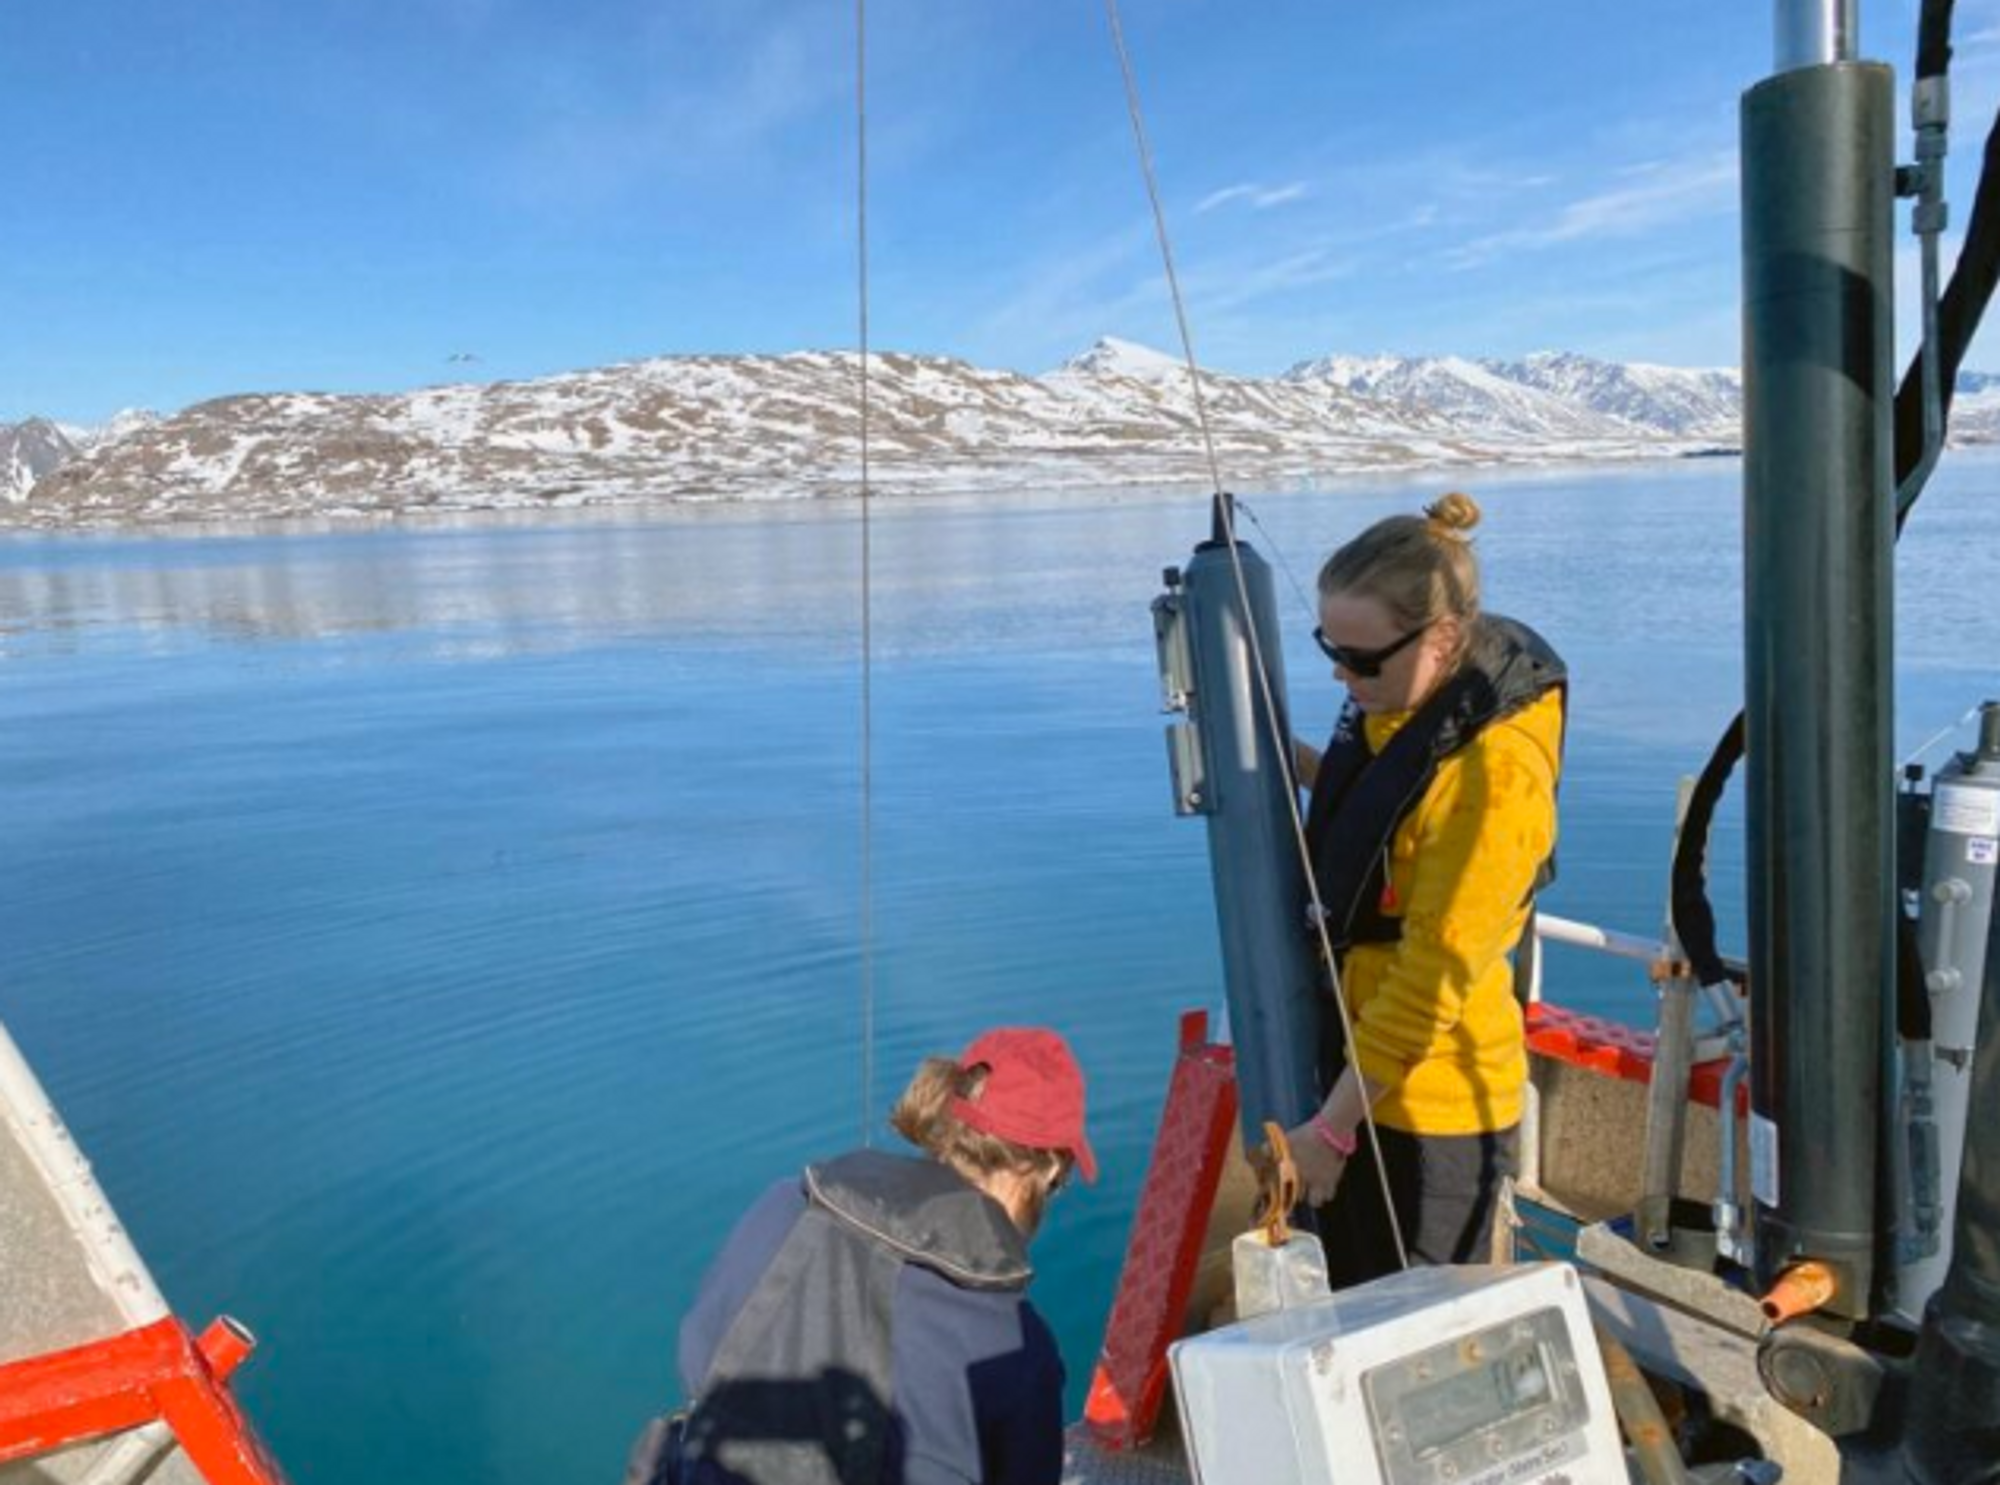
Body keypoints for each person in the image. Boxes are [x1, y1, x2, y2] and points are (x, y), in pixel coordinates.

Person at [1285, 491, 1564, 1289]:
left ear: (1443, 639)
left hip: (1434, 1115)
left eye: (1362, 659)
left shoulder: (1495, 778)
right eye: (1328, 649)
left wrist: (1332, 1133)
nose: (1342, 673)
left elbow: (1431, 976)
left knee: (1415, 1331)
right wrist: (1293, 762)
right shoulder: (1402, 702)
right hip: (1364, 1080)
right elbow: (1379, 808)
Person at [627, 1027, 1095, 1485]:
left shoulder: (782, 1205)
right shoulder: (1015, 1345)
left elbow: (698, 1360)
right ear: (1049, 1163)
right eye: (1058, 1183)